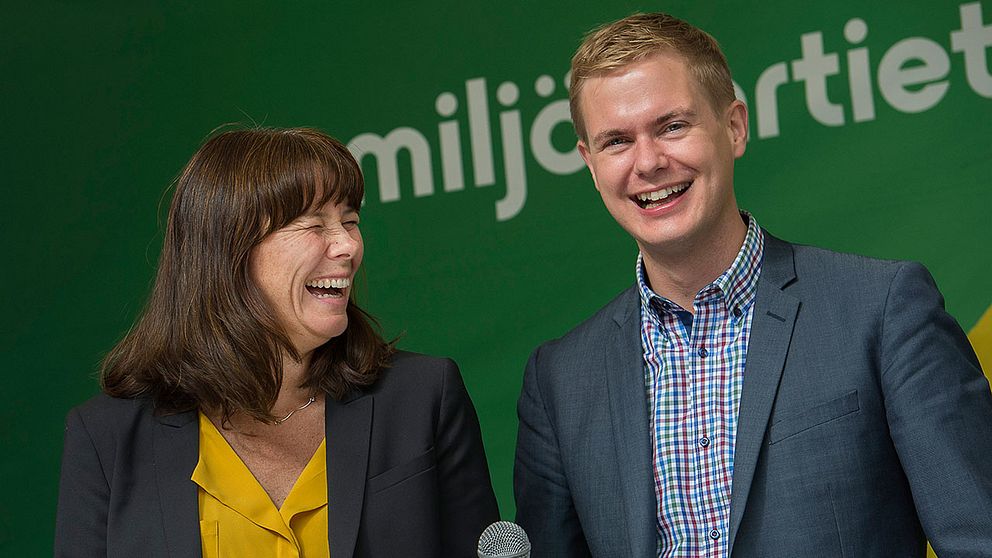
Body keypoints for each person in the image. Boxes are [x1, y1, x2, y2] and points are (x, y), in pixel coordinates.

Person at [513, 12, 992, 558]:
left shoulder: (881, 310)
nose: (647, 162)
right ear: (590, 163)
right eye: (616, 141)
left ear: (734, 126)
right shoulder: (559, 382)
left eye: (672, 126)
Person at [56, 127, 499, 557]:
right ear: (228, 250)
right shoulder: (106, 438)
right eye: (314, 225)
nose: (347, 246)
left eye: (350, 221)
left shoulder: (424, 395)